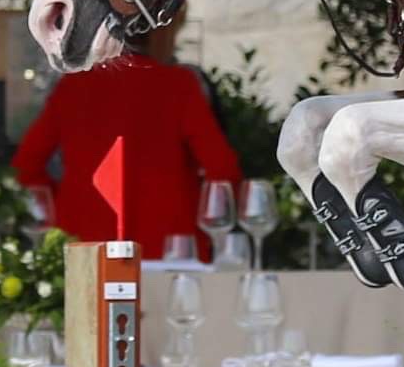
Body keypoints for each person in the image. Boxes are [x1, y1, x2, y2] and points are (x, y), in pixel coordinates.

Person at [13, 28, 241, 252]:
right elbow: (222, 169)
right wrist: (209, 221)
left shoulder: (73, 86)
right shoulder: (178, 84)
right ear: (154, 33)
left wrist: (59, 208)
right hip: (169, 243)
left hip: (84, 240)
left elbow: (27, 165)